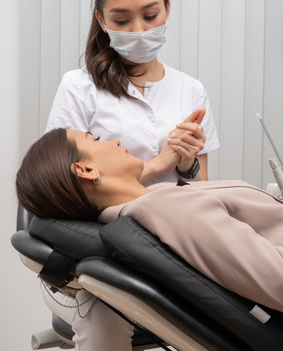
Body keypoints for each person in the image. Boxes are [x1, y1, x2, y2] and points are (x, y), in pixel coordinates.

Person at [37, 0, 220, 351]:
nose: (138, 30)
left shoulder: (190, 90)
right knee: (107, 302)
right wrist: (155, 167)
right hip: (93, 256)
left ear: (167, 10)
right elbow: (58, 193)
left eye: (150, 15)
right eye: (121, 20)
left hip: (170, 247)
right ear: (101, 20)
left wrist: (189, 166)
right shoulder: (79, 88)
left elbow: (202, 191)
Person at [16, 128, 283, 315]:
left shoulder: (154, 200)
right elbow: (275, 279)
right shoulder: (167, 208)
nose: (115, 141)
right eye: (95, 139)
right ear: (86, 170)